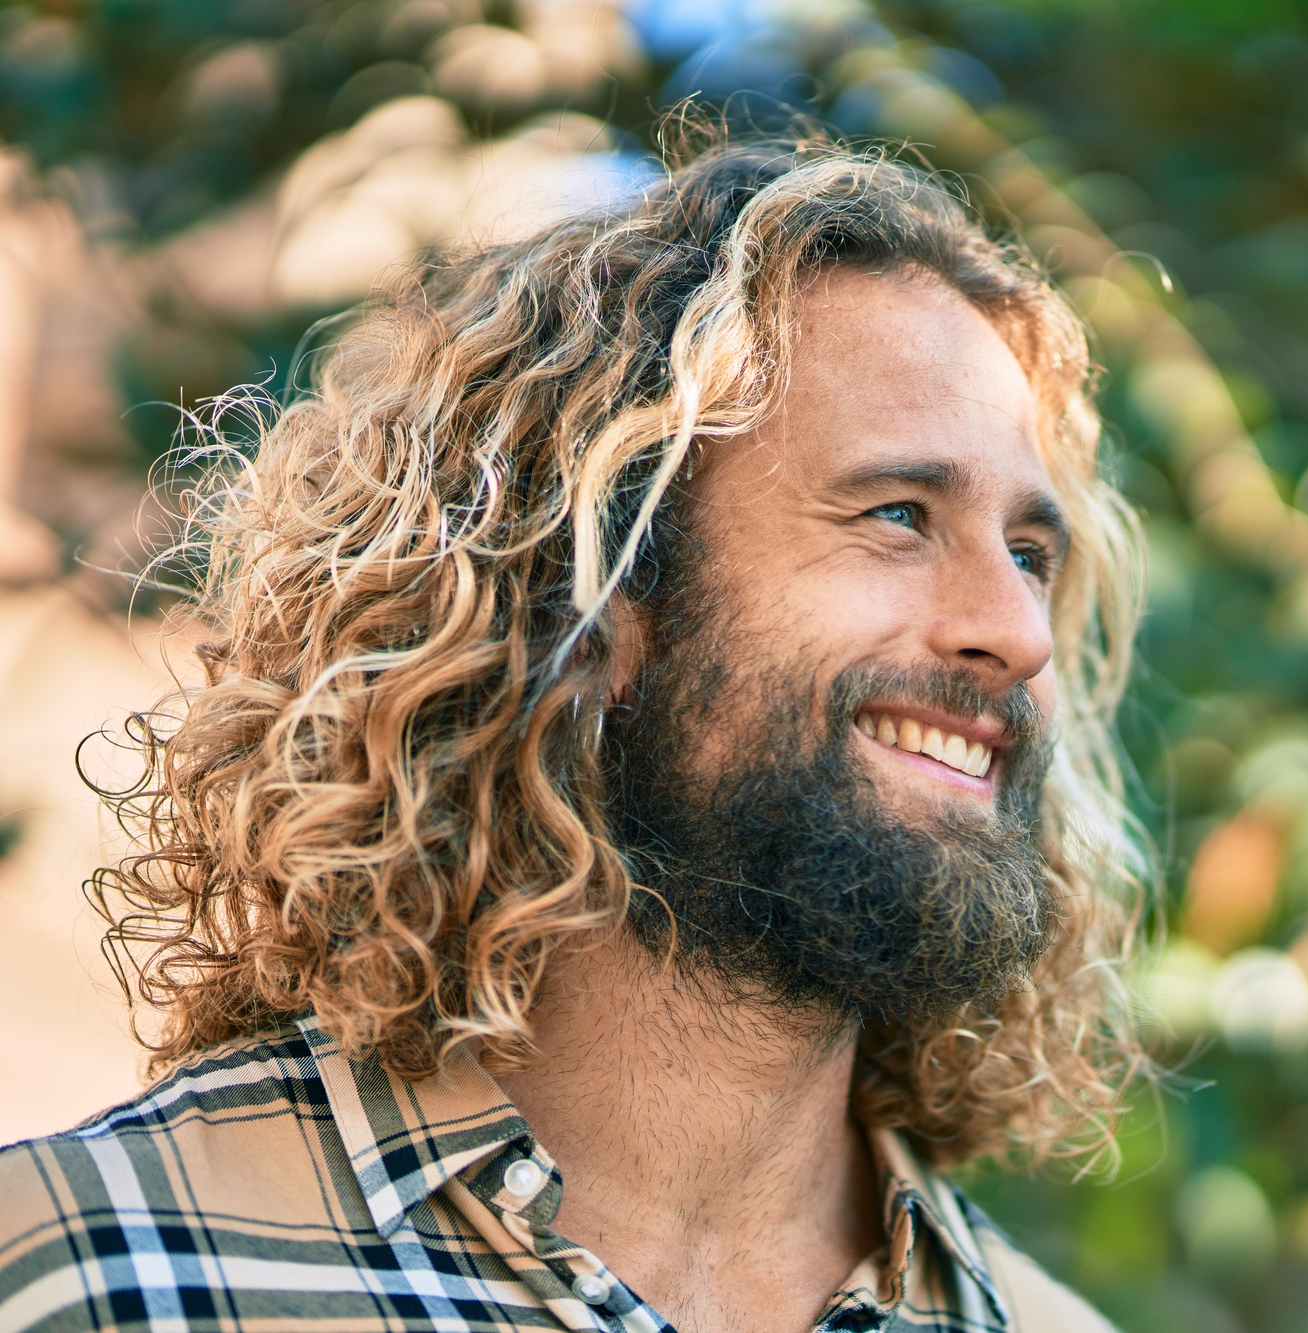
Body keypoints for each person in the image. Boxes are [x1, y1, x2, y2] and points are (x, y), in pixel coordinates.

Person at [0, 127, 1152, 1333]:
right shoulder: (82, 1274)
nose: (1015, 630)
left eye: (1030, 554)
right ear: (592, 608)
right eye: (900, 513)